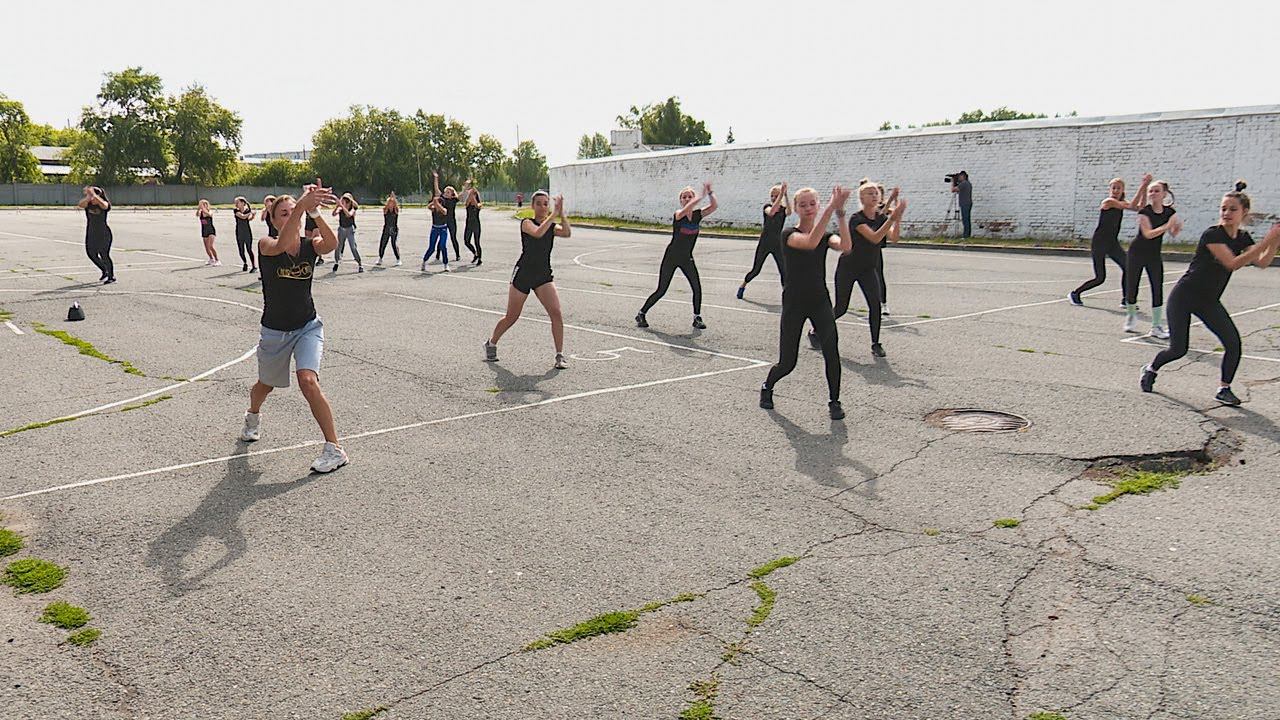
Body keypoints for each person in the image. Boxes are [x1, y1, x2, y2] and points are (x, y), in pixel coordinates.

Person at [240, 181, 349, 473]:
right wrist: (301, 205)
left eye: (293, 212)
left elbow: (331, 244)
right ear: (273, 221)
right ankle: (253, 415)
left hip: (307, 327)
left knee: (308, 380)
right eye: (284, 213)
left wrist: (313, 212)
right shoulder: (266, 245)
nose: (290, 216)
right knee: (264, 386)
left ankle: (334, 448)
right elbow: (278, 245)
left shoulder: (308, 246)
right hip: (275, 331)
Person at [1141, 182, 1280, 406]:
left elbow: (1262, 262)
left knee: (1233, 343)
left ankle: (1224, 389)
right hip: (1184, 296)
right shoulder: (1212, 235)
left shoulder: (1243, 238)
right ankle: (1151, 369)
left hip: (1208, 300)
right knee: (1178, 349)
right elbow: (1232, 263)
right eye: (1223, 208)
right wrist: (1266, 241)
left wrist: (1275, 242)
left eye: (1232, 209)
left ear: (1244, 213)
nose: (1226, 213)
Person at [759, 186, 854, 419]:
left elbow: (845, 247)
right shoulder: (788, 234)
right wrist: (831, 208)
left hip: (819, 300)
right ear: (797, 209)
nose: (808, 208)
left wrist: (840, 213)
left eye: (813, 204)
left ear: (817, 205)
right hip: (794, 302)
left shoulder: (824, 234)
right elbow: (810, 243)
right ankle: (767, 386)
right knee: (787, 362)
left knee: (831, 352)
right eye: (803, 205)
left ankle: (834, 401)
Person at [815, 181, 906, 358]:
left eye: (876, 193)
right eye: (869, 193)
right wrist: (893, 218)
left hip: (867, 268)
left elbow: (893, 238)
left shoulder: (880, 218)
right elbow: (875, 237)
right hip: (848, 267)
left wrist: (898, 218)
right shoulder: (857, 219)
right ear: (862, 198)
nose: (874, 196)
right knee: (841, 307)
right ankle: (817, 328)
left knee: (875, 305)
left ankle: (875, 343)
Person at [483, 191, 573, 369]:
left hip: (543, 275)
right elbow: (538, 233)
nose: (542, 207)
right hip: (524, 273)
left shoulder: (551, 225)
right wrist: (553, 215)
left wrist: (561, 213)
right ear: (533, 206)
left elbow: (567, 233)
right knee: (512, 316)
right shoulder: (527, 223)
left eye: (546, 203)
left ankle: (559, 355)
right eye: (538, 203)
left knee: (556, 312)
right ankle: (491, 342)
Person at [635, 182, 718, 329]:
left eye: (689, 196)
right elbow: (686, 209)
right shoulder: (678, 214)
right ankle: (641, 313)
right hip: (671, 257)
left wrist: (710, 193)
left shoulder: (698, 215)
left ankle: (697, 317)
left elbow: (713, 207)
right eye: (684, 197)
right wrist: (700, 195)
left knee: (697, 287)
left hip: (686, 257)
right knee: (662, 289)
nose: (687, 199)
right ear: (681, 200)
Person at [1069, 174, 1152, 305]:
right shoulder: (1108, 202)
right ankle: (1075, 293)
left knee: (1128, 267)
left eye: (1118, 188)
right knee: (1100, 278)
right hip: (1099, 243)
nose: (1115, 191)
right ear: (1110, 190)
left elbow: (1141, 207)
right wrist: (1142, 185)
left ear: (1122, 191)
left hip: (1112, 243)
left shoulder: (1121, 203)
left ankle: (1126, 300)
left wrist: (1145, 188)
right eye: (1113, 188)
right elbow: (1131, 206)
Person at [1124, 180, 1183, 336]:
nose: (1153, 194)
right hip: (1136, 253)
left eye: (1156, 191)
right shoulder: (1144, 212)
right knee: (1132, 286)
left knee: (1157, 287)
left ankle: (1156, 326)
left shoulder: (1170, 212)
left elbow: (1174, 233)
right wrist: (1167, 225)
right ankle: (1131, 315)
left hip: (1154, 255)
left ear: (1164, 194)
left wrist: (1176, 227)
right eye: (1150, 191)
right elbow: (1148, 234)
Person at [738, 183, 789, 299]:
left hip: (777, 244)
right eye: (772, 196)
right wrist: (780, 195)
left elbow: (790, 212)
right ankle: (743, 285)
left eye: (776, 196)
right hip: (765, 243)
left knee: (783, 270)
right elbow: (771, 212)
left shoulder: (783, 210)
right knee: (756, 269)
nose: (774, 198)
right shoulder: (767, 207)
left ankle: (787, 295)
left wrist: (785, 196)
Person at [77, 186, 114, 284]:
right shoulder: (88, 204)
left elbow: (105, 205)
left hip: (104, 233)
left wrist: (95, 196)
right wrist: (88, 197)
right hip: (91, 232)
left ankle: (111, 276)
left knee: (104, 254)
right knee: (91, 253)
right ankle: (104, 270)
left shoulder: (103, 204)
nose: (92, 199)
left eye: (93, 196)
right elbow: (80, 204)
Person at [331, 193, 364, 273]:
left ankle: (360, 264)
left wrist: (341, 206)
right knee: (338, 246)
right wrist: (337, 207)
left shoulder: (353, 208)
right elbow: (333, 214)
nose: (344, 204)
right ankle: (336, 262)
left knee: (353, 247)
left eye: (345, 202)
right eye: (343, 202)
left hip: (349, 229)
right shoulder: (341, 209)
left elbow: (348, 215)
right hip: (341, 229)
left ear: (349, 202)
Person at [432, 172, 461, 262]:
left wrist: (467, 186)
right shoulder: (442, 198)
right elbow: (436, 189)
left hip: (452, 221)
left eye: (448, 192)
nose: (446, 193)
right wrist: (436, 179)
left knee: (453, 237)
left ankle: (457, 255)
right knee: (441, 238)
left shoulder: (454, 200)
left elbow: (462, 193)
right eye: (445, 192)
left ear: (452, 193)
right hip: (443, 221)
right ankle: (437, 255)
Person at [422, 186, 451, 272]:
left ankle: (446, 264)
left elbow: (444, 211)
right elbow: (428, 206)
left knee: (443, 246)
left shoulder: (444, 209)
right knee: (431, 248)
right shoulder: (433, 209)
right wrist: (434, 201)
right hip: (435, 229)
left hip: (443, 229)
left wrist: (437, 202)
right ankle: (424, 261)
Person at [233, 197, 257, 273]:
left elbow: (248, 219)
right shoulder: (236, 211)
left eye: (238, 202)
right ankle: (245, 262)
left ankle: (254, 266)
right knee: (241, 250)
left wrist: (253, 215)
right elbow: (242, 217)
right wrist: (250, 213)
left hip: (247, 231)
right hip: (239, 232)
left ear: (243, 203)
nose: (236, 204)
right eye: (235, 202)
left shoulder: (247, 210)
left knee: (249, 249)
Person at [377, 191, 401, 266]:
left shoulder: (396, 210)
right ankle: (380, 258)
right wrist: (389, 200)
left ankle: (398, 259)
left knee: (394, 243)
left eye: (392, 203)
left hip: (394, 228)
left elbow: (396, 206)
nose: (391, 204)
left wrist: (393, 199)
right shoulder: (386, 210)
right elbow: (385, 208)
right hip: (386, 228)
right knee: (383, 243)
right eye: (389, 203)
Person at [463, 181, 483, 265]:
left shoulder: (478, 204)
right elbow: (466, 203)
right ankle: (475, 253)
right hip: (469, 223)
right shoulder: (468, 204)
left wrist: (474, 195)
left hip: (476, 223)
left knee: (477, 241)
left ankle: (479, 258)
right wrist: (469, 195)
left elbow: (477, 205)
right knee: (466, 241)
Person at [197, 199, 220, 266]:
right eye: (202, 204)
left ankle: (217, 260)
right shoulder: (201, 212)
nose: (203, 206)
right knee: (206, 247)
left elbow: (209, 214)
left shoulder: (210, 211)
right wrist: (199, 209)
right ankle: (211, 259)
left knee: (210, 246)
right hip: (204, 230)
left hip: (210, 230)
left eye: (205, 204)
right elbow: (197, 214)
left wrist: (204, 209)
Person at [951, 171, 973, 238]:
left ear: (963, 176)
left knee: (965, 220)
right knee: (967, 219)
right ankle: (967, 234)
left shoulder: (963, 183)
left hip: (965, 203)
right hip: (968, 203)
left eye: (960, 176)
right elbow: (958, 191)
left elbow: (953, 190)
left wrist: (952, 182)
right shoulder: (968, 183)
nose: (959, 178)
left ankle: (966, 235)